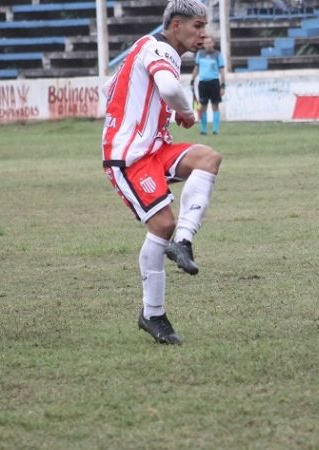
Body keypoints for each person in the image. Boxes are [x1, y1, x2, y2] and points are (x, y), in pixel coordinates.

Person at [101, 0, 222, 345]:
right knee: (162, 224)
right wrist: (185, 112)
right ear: (175, 25)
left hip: (153, 147)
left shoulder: (143, 46)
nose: (203, 34)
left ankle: (183, 243)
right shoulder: (160, 49)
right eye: (197, 26)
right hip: (130, 156)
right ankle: (152, 314)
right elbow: (170, 89)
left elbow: (109, 88)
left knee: (207, 158)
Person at [191, 35, 226, 135]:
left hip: (214, 82)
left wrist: (223, 85)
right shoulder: (200, 54)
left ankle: (215, 130)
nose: (208, 45)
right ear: (204, 44)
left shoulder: (217, 55)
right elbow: (196, 68)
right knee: (202, 106)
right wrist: (192, 80)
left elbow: (222, 70)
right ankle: (203, 130)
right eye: (206, 43)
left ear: (213, 43)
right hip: (203, 83)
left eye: (210, 42)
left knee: (215, 106)